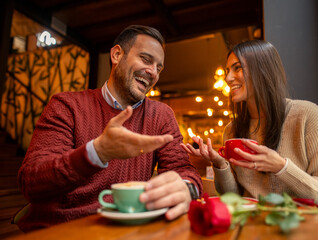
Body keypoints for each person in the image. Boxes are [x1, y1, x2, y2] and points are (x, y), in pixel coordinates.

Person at [17, 25, 202, 232]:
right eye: (146, 59)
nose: (153, 72)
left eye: (159, 68)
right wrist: (97, 152)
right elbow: (31, 181)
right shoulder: (67, 105)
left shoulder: (160, 115)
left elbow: (182, 169)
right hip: (61, 230)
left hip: (126, 231)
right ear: (116, 55)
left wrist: (188, 188)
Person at [181, 40, 318, 205]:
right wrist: (219, 163)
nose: (228, 78)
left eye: (237, 68)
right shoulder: (231, 130)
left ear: (262, 69)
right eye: (227, 71)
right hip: (251, 226)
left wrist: (282, 167)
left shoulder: (306, 115)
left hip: (300, 228)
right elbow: (235, 197)